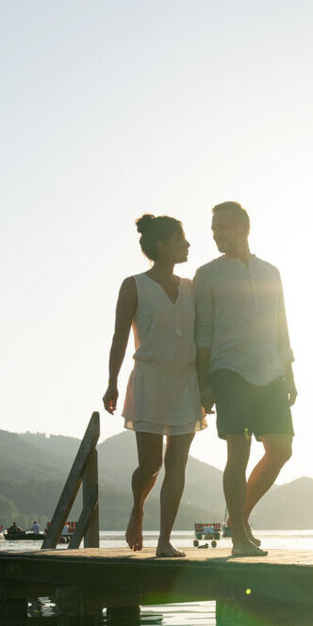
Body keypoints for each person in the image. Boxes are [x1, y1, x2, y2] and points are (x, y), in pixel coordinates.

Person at [194, 201, 296, 557]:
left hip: (271, 371)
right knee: (238, 453)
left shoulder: (271, 272)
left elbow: (281, 325)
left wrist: (290, 372)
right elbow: (203, 332)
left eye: (222, 227)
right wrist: (204, 382)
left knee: (281, 449)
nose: (216, 234)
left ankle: (239, 519)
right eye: (213, 229)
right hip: (229, 370)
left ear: (244, 228)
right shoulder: (207, 275)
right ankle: (239, 539)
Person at [104, 214, 206, 558]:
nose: (188, 245)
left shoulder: (193, 288)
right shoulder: (134, 285)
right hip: (148, 379)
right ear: (161, 245)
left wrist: (207, 386)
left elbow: (205, 336)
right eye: (181, 239)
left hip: (185, 380)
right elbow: (120, 337)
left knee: (177, 462)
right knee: (150, 465)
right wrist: (112, 384)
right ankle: (138, 510)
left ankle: (164, 540)